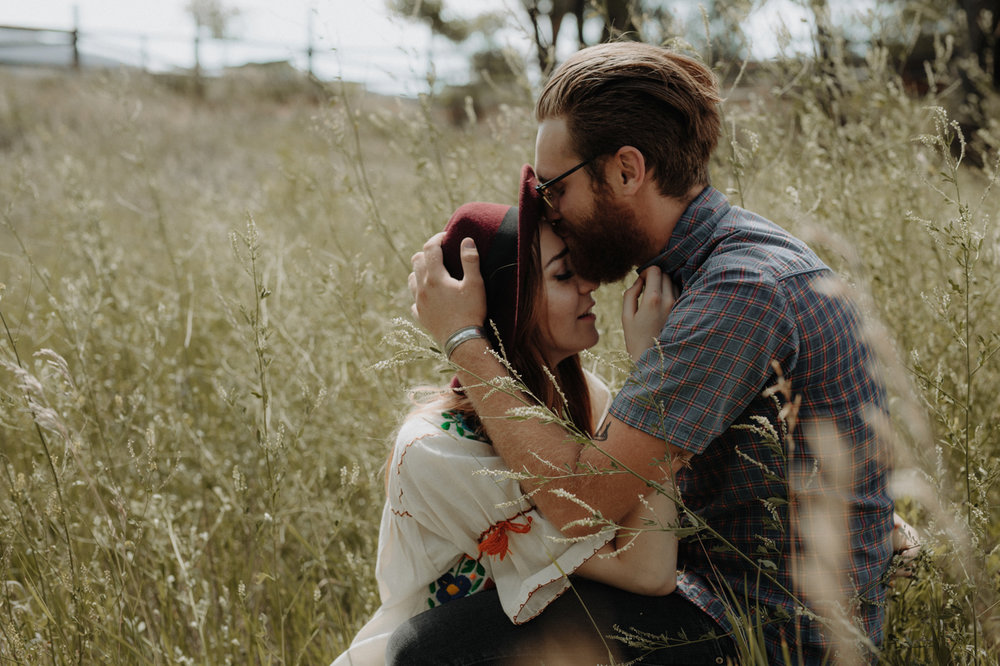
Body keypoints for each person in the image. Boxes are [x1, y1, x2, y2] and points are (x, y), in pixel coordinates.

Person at [406, 43, 897, 664]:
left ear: (626, 171)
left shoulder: (739, 293)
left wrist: (464, 340)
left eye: (552, 186)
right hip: (715, 593)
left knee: (432, 650)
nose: (548, 209)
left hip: (772, 632)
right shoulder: (703, 269)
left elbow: (584, 502)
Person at [333, 166, 685, 666]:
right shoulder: (437, 450)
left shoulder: (588, 396)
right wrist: (655, 372)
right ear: (510, 309)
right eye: (564, 274)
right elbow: (646, 572)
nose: (590, 284)